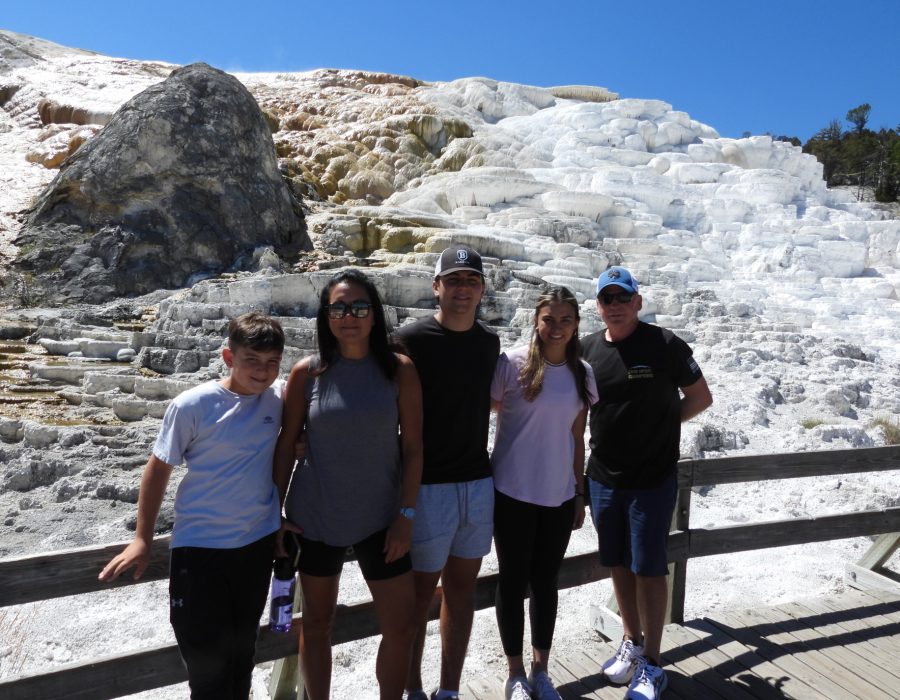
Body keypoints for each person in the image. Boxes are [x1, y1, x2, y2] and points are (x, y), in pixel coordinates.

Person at [99, 313, 286, 700]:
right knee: (206, 669)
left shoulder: (278, 398)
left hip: (256, 547)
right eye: (252, 359)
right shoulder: (193, 405)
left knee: (242, 658)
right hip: (200, 550)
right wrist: (142, 539)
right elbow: (158, 469)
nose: (263, 371)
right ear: (228, 357)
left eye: (272, 362)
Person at [273, 269, 423, 700]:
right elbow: (285, 446)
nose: (349, 317)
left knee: (401, 626)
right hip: (315, 518)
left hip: (382, 519)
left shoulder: (399, 370)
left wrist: (405, 516)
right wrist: (273, 515)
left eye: (359, 307)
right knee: (317, 624)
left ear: (375, 315)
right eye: (338, 309)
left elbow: (414, 448)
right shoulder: (307, 373)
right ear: (325, 316)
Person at [581, 267, 712, 700]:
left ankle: (653, 664)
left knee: (649, 568)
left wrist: (663, 427)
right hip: (603, 478)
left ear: (638, 302)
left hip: (651, 480)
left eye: (623, 298)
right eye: (608, 299)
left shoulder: (665, 344)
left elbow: (701, 397)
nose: (616, 306)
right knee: (617, 562)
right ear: (598, 306)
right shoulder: (586, 351)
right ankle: (631, 641)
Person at [396, 245, 500, 700]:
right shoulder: (409, 339)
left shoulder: (489, 343)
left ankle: (450, 690)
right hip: (427, 486)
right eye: (454, 279)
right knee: (418, 598)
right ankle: (412, 689)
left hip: (477, 482)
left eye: (471, 280)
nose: (463, 288)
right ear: (436, 286)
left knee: (462, 593)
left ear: (482, 290)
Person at [490, 286, 598, 700]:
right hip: (511, 491)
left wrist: (579, 493)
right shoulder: (511, 363)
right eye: (549, 319)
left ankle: (541, 670)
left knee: (546, 583)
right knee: (512, 581)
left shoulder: (582, 373)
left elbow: (577, 436)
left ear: (576, 325)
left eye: (565, 320)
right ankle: (515, 674)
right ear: (536, 321)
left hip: (558, 496)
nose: (556, 327)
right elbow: (486, 411)